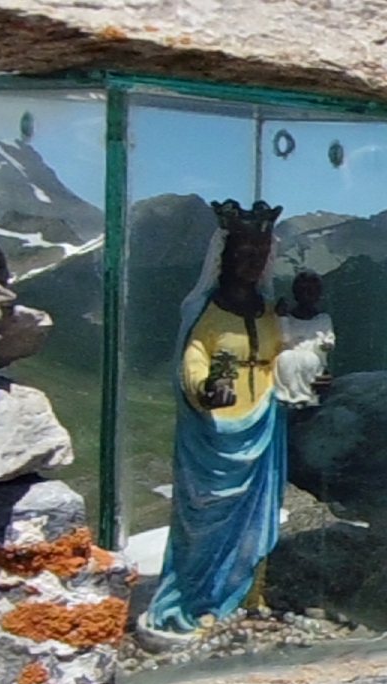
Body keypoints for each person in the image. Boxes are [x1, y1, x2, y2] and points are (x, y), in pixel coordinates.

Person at [142, 198, 287, 637]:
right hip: (215, 435)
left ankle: (243, 595)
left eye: (259, 255)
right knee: (204, 521)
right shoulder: (206, 310)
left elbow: (276, 355)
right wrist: (205, 389)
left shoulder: (266, 311)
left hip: (261, 422)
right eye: (243, 252)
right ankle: (190, 599)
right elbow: (194, 356)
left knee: (255, 517)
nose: (251, 262)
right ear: (223, 255)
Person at [274, 269, 335, 407]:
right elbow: (284, 339)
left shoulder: (323, 319)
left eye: (312, 291)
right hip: (290, 356)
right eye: (303, 290)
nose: (307, 295)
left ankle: (306, 397)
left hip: (312, 360)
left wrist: (325, 345)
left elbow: (328, 340)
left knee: (309, 359)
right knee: (286, 358)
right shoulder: (288, 319)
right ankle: (288, 397)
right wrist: (282, 318)